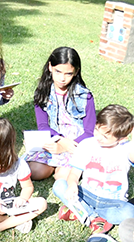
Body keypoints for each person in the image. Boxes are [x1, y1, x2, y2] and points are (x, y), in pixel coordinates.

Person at [53, 104, 134, 233]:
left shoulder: (126, 148)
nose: (98, 137)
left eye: (105, 136)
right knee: (60, 185)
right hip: (86, 193)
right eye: (96, 130)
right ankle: (94, 217)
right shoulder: (87, 144)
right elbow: (74, 173)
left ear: (122, 138)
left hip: (112, 201)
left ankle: (81, 211)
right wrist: (72, 185)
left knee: (130, 212)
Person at [22, 47, 95, 184]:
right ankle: (54, 164)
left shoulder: (85, 95)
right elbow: (43, 125)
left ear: (76, 72)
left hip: (76, 144)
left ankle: (60, 167)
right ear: (50, 67)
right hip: (53, 139)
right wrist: (60, 141)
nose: (62, 78)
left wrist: (67, 146)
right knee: (35, 172)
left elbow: (90, 131)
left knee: (62, 178)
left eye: (68, 74)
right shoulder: (42, 92)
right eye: (58, 71)